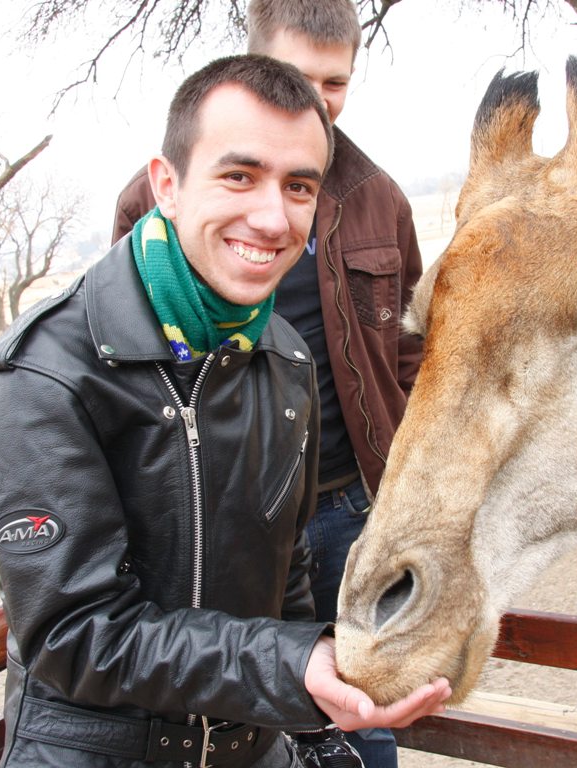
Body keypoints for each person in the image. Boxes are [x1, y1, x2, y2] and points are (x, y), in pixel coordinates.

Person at [0, 54, 449, 768]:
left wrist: (314, 713)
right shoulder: (46, 376)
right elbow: (76, 635)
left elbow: (286, 570)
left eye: (299, 186)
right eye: (239, 176)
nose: (273, 217)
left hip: (250, 747)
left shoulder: (282, 358)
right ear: (167, 184)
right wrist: (290, 666)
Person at [113, 6, 424, 761]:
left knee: (365, 704)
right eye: (297, 75)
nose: (316, 98)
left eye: (335, 82)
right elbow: (129, 353)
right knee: (246, 706)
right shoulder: (151, 201)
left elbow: (410, 350)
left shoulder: (380, 196)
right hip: (228, 513)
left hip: (352, 506)